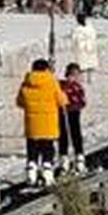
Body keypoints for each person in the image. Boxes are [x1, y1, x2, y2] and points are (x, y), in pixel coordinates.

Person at [16, 58, 68, 187]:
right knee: (47, 149)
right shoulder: (51, 81)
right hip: (48, 124)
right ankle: (47, 172)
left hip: (32, 124)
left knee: (32, 149)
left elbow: (19, 101)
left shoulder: (26, 82)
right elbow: (61, 100)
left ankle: (31, 172)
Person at [59, 63, 88, 171]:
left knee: (76, 134)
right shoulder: (61, 85)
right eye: (72, 75)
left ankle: (79, 155)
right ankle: (64, 157)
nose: (74, 77)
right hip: (63, 112)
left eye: (77, 75)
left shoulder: (78, 87)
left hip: (74, 112)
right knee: (63, 135)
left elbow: (83, 101)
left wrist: (76, 105)